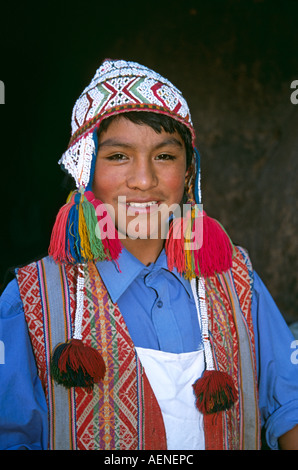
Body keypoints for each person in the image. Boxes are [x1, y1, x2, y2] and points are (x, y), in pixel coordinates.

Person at [0, 59, 298, 451]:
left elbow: (289, 408)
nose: (144, 180)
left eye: (164, 157)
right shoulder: (32, 299)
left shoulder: (236, 280)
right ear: (84, 172)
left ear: (189, 173)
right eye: (118, 156)